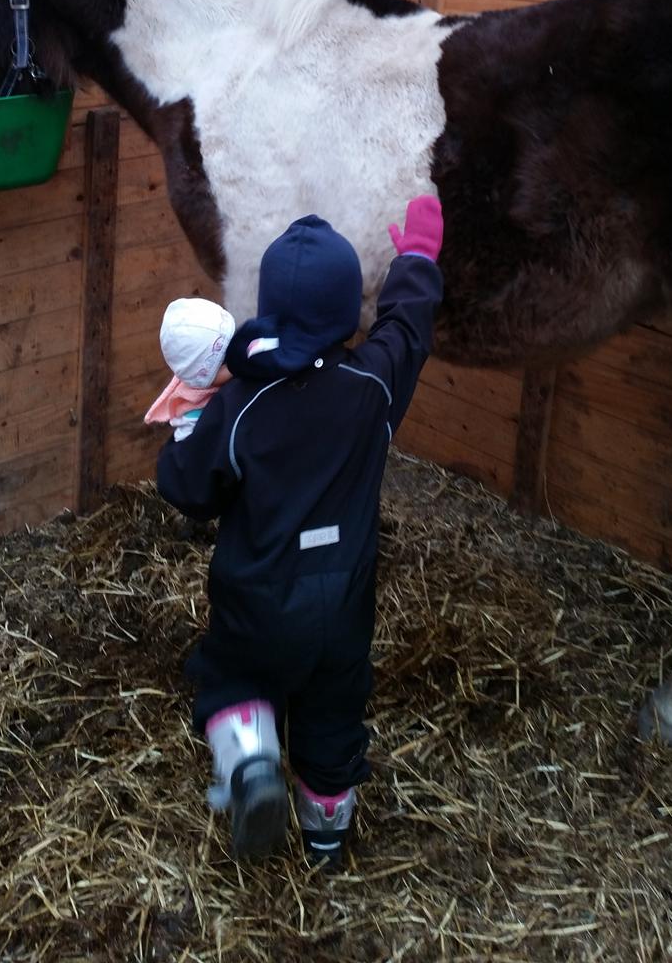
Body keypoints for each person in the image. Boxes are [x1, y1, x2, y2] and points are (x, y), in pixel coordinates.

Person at [157, 195, 444, 869]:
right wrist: (418, 261)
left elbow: (188, 490)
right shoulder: (371, 386)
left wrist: (188, 425)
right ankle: (325, 835)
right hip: (344, 605)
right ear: (347, 311)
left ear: (271, 305)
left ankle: (253, 763)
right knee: (333, 714)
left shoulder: (240, 405)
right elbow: (407, 328)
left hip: (258, 598)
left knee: (232, 678)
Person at [145, 297, 236, 439]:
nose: (235, 357)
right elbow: (192, 453)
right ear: (204, 379)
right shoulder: (193, 416)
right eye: (223, 363)